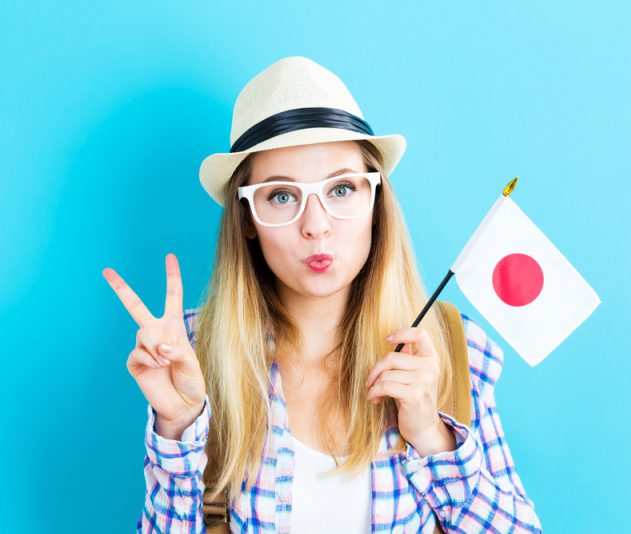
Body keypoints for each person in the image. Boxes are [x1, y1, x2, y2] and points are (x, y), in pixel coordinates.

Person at [102, 56, 543, 533]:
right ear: (247, 219)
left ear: (375, 203)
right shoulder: (192, 350)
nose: (316, 227)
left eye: (341, 189)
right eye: (281, 196)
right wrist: (179, 428)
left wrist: (433, 437)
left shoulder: (450, 346)